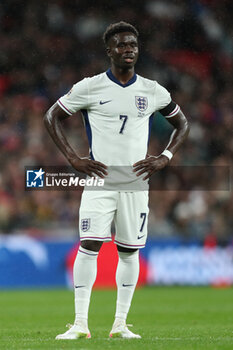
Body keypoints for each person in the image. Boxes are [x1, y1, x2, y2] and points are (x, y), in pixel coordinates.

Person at [44, 21, 189, 340]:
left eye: (133, 45)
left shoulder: (152, 90)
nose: (128, 50)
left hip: (136, 182)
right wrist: (72, 157)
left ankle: (120, 324)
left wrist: (165, 156)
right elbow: (51, 115)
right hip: (101, 179)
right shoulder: (90, 87)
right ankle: (80, 324)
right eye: (122, 45)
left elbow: (182, 123)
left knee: (129, 251)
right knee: (89, 245)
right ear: (109, 50)